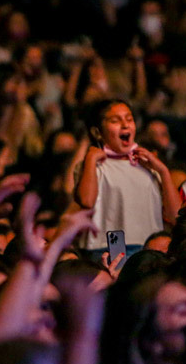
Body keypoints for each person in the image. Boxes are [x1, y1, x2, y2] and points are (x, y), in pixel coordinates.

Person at [77, 99, 180, 251]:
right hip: (111, 246)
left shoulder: (148, 164)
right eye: (115, 121)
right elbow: (86, 202)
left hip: (150, 248)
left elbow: (176, 216)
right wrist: (91, 160)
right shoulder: (95, 165)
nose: (125, 125)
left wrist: (163, 171)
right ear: (97, 133)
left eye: (129, 119)